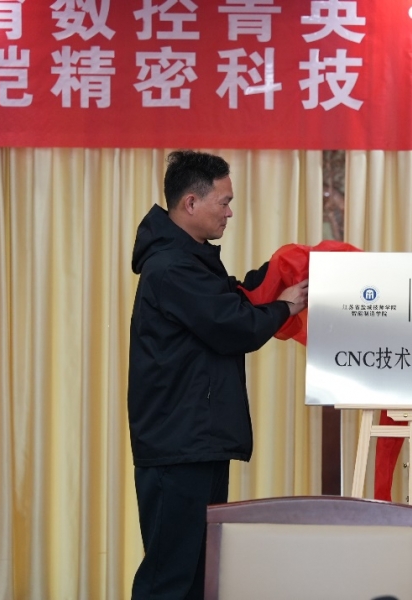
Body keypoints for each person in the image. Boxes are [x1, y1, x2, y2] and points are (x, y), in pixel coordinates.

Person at [127, 150, 308, 600]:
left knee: (197, 575)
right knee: (170, 577)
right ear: (190, 203)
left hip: (196, 440)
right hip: (179, 446)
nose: (229, 212)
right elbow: (232, 325)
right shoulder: (171, 266)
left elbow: (233, 298)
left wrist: (278, 274)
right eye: (223, 202)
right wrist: (285, 306)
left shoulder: (189, 261)